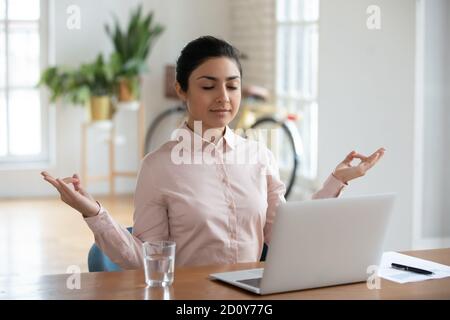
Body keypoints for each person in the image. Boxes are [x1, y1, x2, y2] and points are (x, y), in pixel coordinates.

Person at [41, 36, 385, 269]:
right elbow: (147, 259)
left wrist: (335, 182)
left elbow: (285, 238)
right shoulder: (158, 167)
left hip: (252, 297)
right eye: (208, 86)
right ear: (182, 90)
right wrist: (94, 212)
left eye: (232, 85)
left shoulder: (259, 157)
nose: (223, 97)